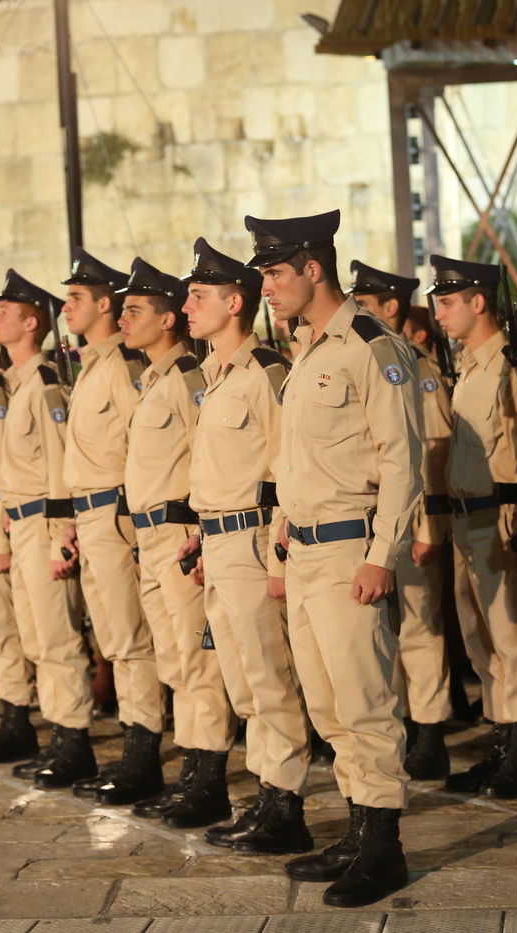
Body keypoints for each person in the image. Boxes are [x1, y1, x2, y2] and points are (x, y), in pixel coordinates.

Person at [249, 208, 421, 908]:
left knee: (367, 701)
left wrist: (384, 554)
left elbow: (402, 460)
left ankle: (385, 847)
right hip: (308, 551)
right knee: (327, 703)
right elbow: (296, 463)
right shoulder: (311, 349)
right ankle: (357, 827)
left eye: (273, 273)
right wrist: (280, 548)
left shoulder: (370, 345)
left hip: (353, 547)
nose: (266, 287)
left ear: (312, 268)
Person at [182, 236, 314, 852]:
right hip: (220, 540)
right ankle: (264, 796)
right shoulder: (214, 375)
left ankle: (286, 806)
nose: (187, 307)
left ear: (236, 302)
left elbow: (288, 465)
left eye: (198, 296)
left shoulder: (266, 372)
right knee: (240, 678)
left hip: (256, 540)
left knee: (269, 676)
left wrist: (281, 555)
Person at [119, 256, 237, 824]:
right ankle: (192, 771)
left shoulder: (189, 378)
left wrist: (200, 537)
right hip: (151, 536)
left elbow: (204, 459)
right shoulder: (154, 381)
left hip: (181, 533)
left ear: (166, 320)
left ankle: (208, 778)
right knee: (174, 661)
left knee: (197, 660)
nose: (123, 319)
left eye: (134, 310)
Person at [431, 254, 517, 798]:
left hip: (497, 517)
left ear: (479, 302)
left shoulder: (508, 363)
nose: (439, 312)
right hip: (465, 517)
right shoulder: (470, 365)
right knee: (484, 643)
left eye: (449, 301)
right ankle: (502, 743)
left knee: (513, 637)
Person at [60, 249, 162, 801]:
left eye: (76, 299)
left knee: (130, 638)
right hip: (90, 512)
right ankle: (134, 743)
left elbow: (138, 446)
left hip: (117, 513)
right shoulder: (93, 365)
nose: (66, 308)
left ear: (106, 303)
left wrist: (126, 518)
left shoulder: (123, 365)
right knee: (114, 639)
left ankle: (143, 751)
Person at [349, 259, 455, 779]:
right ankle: (407, 724)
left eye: (365, 305)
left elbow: (429, 457)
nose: (356, 313)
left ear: (391, 307)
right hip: (371, 524)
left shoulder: (413, 365)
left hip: (411, 522)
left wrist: (429, 529)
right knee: (385, 634)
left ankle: (431, 731)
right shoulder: (357, 357)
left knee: (419, 628)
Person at [0, 277, 90, 772]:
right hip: (19, 522)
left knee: (56, 636)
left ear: (30, 322)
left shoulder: (45, 383)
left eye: (5, 310)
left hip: (44, 523)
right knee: (33, 636)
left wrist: (59, 537)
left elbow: (58, 462)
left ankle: (74, 741)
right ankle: (57, 733)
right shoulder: (18, 383)